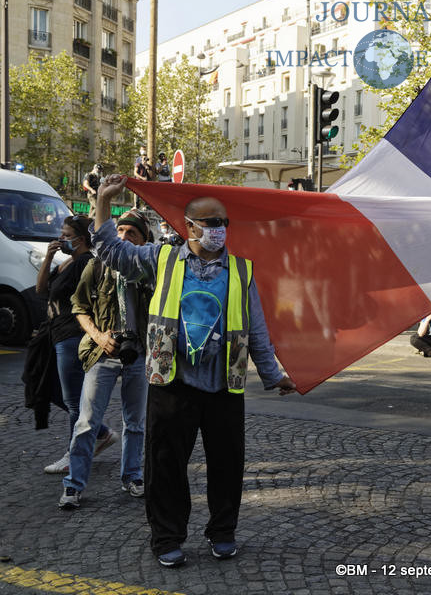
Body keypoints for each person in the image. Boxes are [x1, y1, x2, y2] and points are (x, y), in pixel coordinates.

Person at [92, 175, 296, 568]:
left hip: (224, 385)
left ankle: (222, 533)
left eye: (223, 223)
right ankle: (167, 537)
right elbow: (111, 251)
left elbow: (256, 329)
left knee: (227, 464)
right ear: (189, 227)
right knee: (165, 465)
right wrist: (102, 203)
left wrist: (273, 375)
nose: (218, 230)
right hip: (172, 383)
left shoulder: (240, 270)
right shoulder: (161, 259)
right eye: (210, 222)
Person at [59, 210, 153, 510]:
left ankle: (133, 477)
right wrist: (99, 336)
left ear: (143, 240)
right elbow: (79, 308)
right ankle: (73, 485)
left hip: (139, 354)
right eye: (120, 230)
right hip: (103, 352)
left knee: (135, 423)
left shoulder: (151, 269)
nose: (123, 237)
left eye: (131, 233)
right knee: (87, 422)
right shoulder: (97, 266)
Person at [38, 215, 116, 474]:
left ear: (79, 239)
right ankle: (101, 432)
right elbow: (41, 290)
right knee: (52, 389)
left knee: (73, 401)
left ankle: (75, 454)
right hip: (56, 333)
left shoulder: (85, 263)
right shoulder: (66, 262)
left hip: (72, 336)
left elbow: (85, 302)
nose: (61, 238)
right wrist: (49, 258)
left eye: (65, 234)